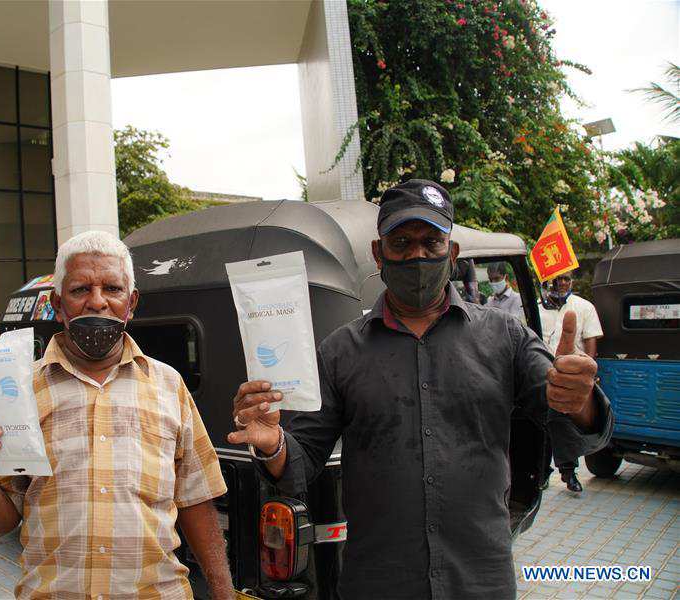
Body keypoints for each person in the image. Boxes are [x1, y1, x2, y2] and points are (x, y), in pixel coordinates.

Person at [228, 180, 613, 599]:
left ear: (452, 252)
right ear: (379, 253)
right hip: (378, 582)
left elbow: (575, 427)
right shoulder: (340, 351)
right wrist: (273, 444)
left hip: (479, 580)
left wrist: (581, 400)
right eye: (401, 242)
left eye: (431, 242)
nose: (417, 255)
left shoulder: (505, 336)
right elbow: (303, 460)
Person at [0, 231, 233, 600]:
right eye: (80, 289)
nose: (97, 301)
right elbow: (2, 521)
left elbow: (196, 500)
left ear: (131, 303)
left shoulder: (169, 387)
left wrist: (223, 592)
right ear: (58, 304)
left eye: (112, 289)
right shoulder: (21, 393)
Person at [538, 271, 604, 493]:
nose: (563, 283)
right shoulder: (536, 308)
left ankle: (568, 472)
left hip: (571, 379)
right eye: (557, 279)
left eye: (566, 278)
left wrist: (588, 375)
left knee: (563, 423)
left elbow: (590, 342)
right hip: (541, 376)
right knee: (540, 424)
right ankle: (542, 471)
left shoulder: (584, 307)